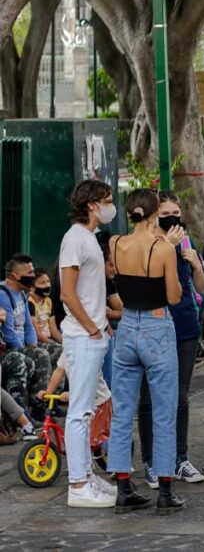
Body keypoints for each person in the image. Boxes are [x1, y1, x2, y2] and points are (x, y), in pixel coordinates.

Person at [107, 188, 184, 514]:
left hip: (126, 326)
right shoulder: (162, 248)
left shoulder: (115, 243)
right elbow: (174, 297)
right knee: (164, 410)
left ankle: (123, 486)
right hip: (156, 326)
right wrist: (174, 251)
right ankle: (165, 490)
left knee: (123, 409)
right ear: (155, 214)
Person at [136, 190, 204, 487]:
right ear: (154, 215)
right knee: (149, 396)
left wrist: (196, 265)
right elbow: (146, 280)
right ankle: (151, 460)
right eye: (165, 214)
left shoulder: (186, 242)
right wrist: (168, 245)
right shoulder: (146, 242)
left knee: (180, 395)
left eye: (175, 213)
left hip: (185, 325)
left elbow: (201, 286)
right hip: (153, 325)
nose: (171, 219)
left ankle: (180, 457)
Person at [57, 179, 116, 507]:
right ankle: (78, 484)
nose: (111, 206)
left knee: (87, 408)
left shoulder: (88, 237)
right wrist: (93, 328)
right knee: (79, 411)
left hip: (91, 335)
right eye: (107, 200)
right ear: (92, 204)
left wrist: (100, 326)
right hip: (83, 337)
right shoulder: (75, 239)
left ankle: (86, 475)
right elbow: (68, 293)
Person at [0, 253, 54, 418]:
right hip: (9, 348)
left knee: (54, 352)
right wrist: (25, 350)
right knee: (32, 358)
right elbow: (8, 333)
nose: (32, 276)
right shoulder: (3, 294)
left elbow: (28, 325)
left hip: (22, 345)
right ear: (16, 275)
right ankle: (22, 414)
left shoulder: (22, 294)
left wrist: (32, 345)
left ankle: (42, 407)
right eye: (30, 273)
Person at [28, 270, 62, 358]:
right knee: (60, 351)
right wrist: (54, 344)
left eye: (48, 281)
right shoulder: (30, 302)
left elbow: (54, 331)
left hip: (49, 338)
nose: (47, 285)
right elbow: (37, 334)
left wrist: (64, 342)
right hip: (38, 341)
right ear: (32, 287)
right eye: (42, 283)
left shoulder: (48, 301)